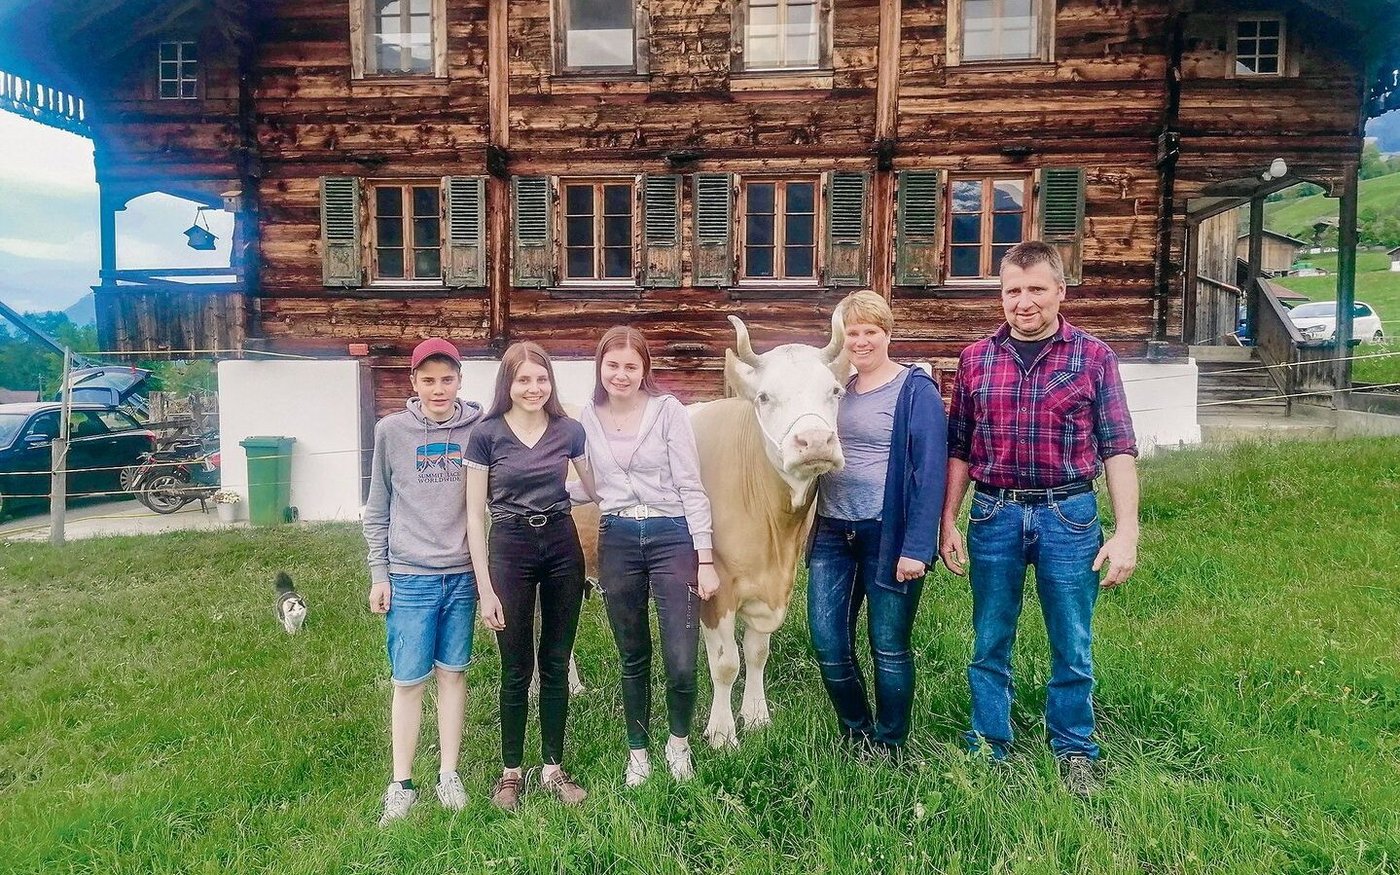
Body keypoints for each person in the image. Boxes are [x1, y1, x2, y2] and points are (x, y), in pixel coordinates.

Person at [938, 240, 1140, 796]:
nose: (1024, 302)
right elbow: (959, 445)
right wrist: (948, 519)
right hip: (994, 514)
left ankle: (1075, 749)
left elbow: (1118, 447)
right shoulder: (976, 359)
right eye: (1012, 291)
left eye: (1036, 290)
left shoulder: (1094, 357)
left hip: (1069, 515)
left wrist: (1126, 532)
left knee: (1072, 640)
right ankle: (988, 745)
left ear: (1060, 292)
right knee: (989, 637)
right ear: (1001, 296)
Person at [576, 326, 720, 787]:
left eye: (630, 367)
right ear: (600, 367)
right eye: (612, 365)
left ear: (645, 370)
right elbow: (590, 485)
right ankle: (637, 751)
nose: (621, 375)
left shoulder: (667, 412)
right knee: (632, 653)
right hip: (616, 536)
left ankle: (678, 744)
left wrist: (706, 558)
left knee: (680, 656)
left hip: (671, 534)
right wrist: (534, 489)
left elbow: (691, 486)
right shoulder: (588, 417)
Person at [806, 290, 947, 756]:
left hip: (886, 533)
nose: (861, 341)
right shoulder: (836, 391)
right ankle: (856, 732)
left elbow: (931, 472)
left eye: (870, 331)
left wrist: (917, 547)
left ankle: (890, 744)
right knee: (828, 643)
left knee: (887, 646)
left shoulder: (914, 389)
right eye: (853, 333)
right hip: (831, 531)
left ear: (888, 334)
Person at [465, 341, 596, 810]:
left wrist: (575, 492)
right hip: (510, 547)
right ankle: (510, 773)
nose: (533, 388)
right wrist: (485, 588)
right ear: (508, 384)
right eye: (523, 379)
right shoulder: (486, 435)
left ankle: (553, 769)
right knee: (516, 667)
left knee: (556, 663)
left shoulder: (570, 431)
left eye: (541, 379)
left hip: (561, 543)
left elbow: (596, 486)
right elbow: (474, 516)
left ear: (550, 384)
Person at [363, 337, 484, 825]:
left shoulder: (479, 428)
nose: (439, 389)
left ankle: (449, 774)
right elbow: (378, 507)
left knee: (453, 675)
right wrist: (379, 573)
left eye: (447, 379)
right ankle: (403, 782)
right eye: (428, 380)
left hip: (461, 576)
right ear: (413, 383)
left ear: (460, 380)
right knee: (409, 681)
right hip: (410, 576)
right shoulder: (391, 432)